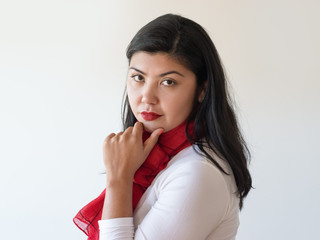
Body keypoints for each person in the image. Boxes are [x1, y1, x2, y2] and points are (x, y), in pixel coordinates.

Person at [73, 13, 252, 240]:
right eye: (138, 78)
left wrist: (118, 179)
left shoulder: (198, 173)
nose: (147, 97)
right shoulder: (150, 157)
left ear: (202, 90)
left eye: (168, 82)